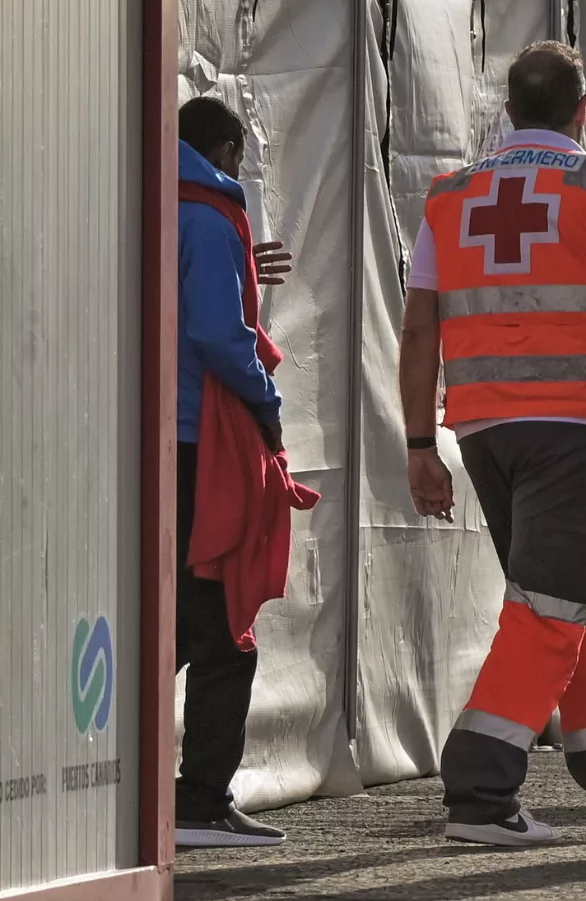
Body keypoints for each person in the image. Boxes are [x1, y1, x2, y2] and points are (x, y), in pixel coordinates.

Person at [398, 41, 586, 846]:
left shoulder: (451, 195)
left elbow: (420, 323)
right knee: (548, 609)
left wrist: (420, 443)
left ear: (507, 112)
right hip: (565, 425)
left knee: (559, 594)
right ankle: (480, 791)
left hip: (483, 428)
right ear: (581, 110)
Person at [174, 96, 297, 848]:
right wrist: (268, 403)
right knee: (224, 628)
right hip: (202, 443)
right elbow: (220, 334)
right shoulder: (209, 216)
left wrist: (239, 264)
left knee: (169, 619)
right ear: (222, 150)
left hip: (144, 440)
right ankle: (201, 800)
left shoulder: (150, 204)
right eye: (240, 158)